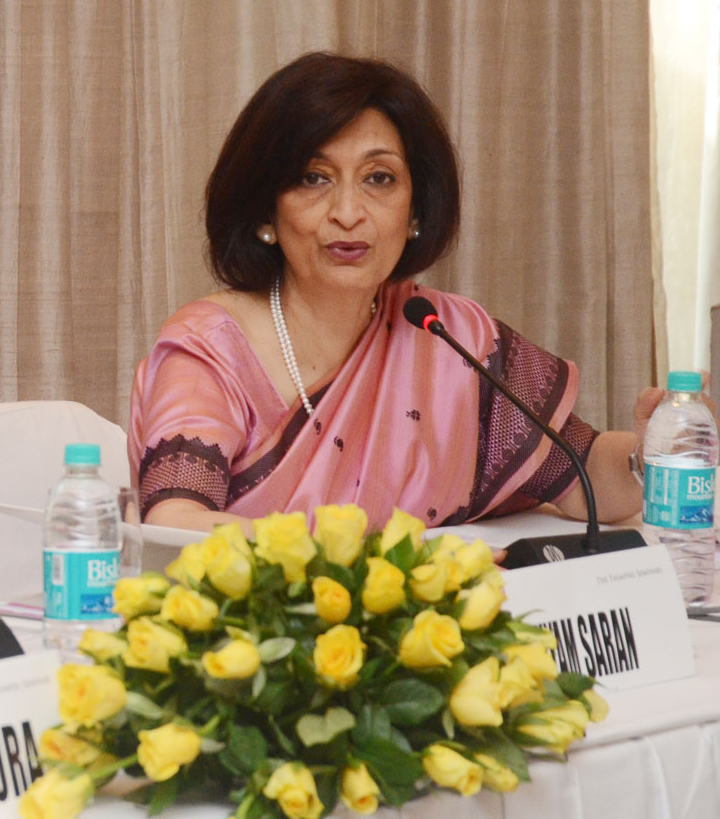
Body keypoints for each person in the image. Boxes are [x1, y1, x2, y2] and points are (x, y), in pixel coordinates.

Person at [128, 52, 660, 534]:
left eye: (378, 178)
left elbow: (582, 474)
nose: (348, 212)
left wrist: (653, 457)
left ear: (415, 210)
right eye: (314, 178)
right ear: (265, 211)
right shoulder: (211, 347)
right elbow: (175, 522)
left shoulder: (446, 335)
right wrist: (373, 564)